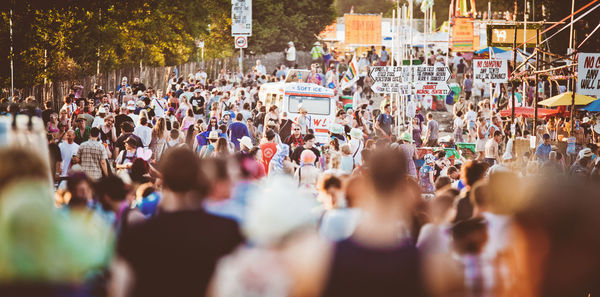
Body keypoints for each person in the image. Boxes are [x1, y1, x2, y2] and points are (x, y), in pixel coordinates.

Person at [110, 147, 243, 297]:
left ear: (163, 178)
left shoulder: (135, 235)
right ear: (199, 178)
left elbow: (119, 290)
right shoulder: (228, 231)